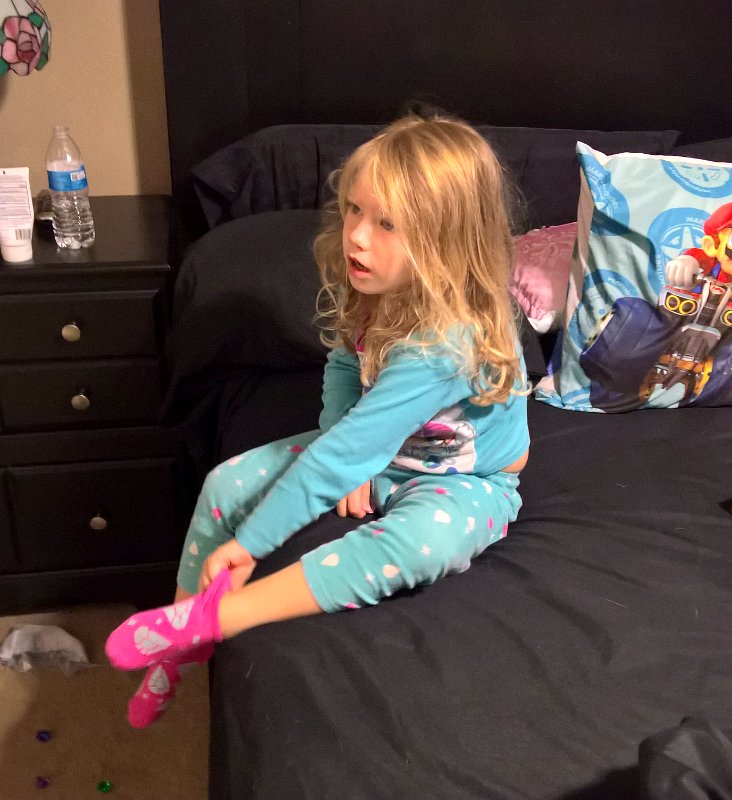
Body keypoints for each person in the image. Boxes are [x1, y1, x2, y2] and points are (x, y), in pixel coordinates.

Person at [105, 112, 531, 728]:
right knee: (225, 482)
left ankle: (222, 616)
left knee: (420, 544)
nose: (356, 236)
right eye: (355, 210)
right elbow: (343, 364)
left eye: (387, 223)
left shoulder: (445, 343)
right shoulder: (378, 285)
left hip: (466, 479)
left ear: (445, 242)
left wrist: (251, 545)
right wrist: (344, 441)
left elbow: (343, 457)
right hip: (382, 445)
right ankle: (178, 647)